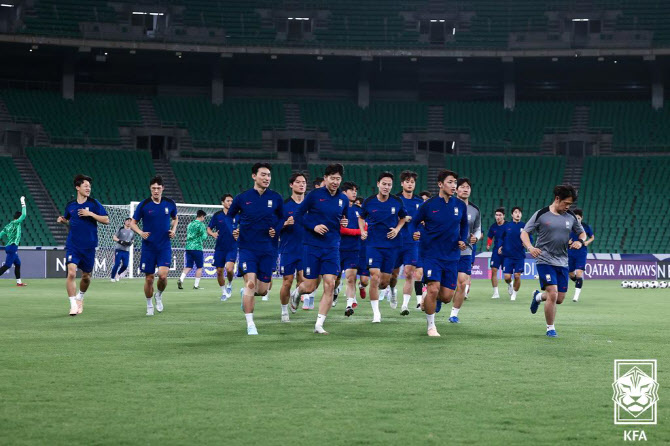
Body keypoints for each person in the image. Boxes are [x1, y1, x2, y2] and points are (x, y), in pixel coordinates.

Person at [290, 164, 349, 334]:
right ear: (325, 178)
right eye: (332, 178)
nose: (335, 182)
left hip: (332, 246)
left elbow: (343, 218)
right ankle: (297, 293)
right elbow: (297, 215)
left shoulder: (343, 199)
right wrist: (313, 226)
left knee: (330, 284)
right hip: (312, 246)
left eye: (338, 179)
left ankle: (319, 324)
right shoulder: (314, 195)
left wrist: (344, 222)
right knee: (310, 286)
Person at [522, 184, 586, 338]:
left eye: (570, 204)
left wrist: (580, 242)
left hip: (562, 262)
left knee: (559, 298)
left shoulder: (570, 216)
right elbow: (524, 233)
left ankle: (538, 297)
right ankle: (550, 328)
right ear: (557, 199)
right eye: (566, 203)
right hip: (544, 260)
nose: (568, 207)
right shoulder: (541, 214)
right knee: (552, 292)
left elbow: (582, 233)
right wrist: (530, 247)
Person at [229, 163, 284, 335]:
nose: (267, 178)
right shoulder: (242, 197)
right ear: (254, 176)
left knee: (262, 290)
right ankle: (250, 324)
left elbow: (283, 218)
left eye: (269, 175)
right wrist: (234, 229)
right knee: (250, 283)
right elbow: (229, 216)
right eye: (263, 175)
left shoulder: (276, 198)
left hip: (268, 249)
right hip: (247, 248)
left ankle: (245, 293)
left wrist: (277, 228)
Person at [411, 170, 468, 337]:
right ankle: (431, 326)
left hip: (451, 256)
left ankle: (427, 297)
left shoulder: (460, 205)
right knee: (433, 288)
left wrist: (462, 239)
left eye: (455, 182)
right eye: (450, 182)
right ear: (440, 184)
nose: (453, 185)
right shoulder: (428, 205)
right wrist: (415, 233)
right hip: (431, 254)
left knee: (446, 297)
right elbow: (413, 223)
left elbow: (464, 225)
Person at [57, 174, 109, 316]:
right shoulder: (70, 205)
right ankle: (73, 305)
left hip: (89, 246)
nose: (88, 188)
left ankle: (80, 297)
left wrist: (90, 214)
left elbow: (106, 220)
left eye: (89, 186)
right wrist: (63, 220)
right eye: (85, 186)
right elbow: (69, 220)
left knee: (86, 276)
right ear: (77, 187)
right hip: (73, 245)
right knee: (71, 272)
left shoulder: (94, 203)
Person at [358, 171, 407, 323]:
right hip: (373, 244)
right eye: (384, 184)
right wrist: (362, 231)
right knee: (374, 276)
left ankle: (390, 290)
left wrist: (397, 229)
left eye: (389, 185)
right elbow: (361, 217)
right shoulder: (369, 201)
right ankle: (376, 313)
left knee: (384, 281)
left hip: (391, 246)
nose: (386, 187)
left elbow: (403, 217)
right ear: (378, 184)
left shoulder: (397, 201)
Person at [130, 176, 178, 316]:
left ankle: (159, 295)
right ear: (150, 189)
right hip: (148, 247)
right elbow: (133, 222)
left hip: (164, 246)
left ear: (163, 188)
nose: (156, 191)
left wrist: (173, 230)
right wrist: (140, 232)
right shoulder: (144, 205)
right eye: (153, 188)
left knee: (162, 276)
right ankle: (149, 304)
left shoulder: (170, 203)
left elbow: (175, 218)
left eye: (158, 188)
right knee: (149, 278)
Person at [448, 177, 481, 323]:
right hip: (448, 250)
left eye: (468, 187)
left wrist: (476, 238)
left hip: (466, 250)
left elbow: (478, 229)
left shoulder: (475, 209)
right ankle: (436, 301)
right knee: (444, 287)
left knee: (462, 282)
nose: (465, 189)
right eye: (462, 187)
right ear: (456, 190)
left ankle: (454, 314)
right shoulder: (448, 205)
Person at [279, 172, 307, 321]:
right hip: (288, 248)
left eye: (303, 182)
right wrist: (284, 224)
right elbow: (273, 228)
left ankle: (295, 297)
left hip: (305, 249)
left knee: (303, 281)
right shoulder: (284, 206)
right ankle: (284, 311)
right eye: (298, 182)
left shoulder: (309, 205)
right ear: (291, 185)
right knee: (287, 281)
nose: (301, 184)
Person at [395, 170, 424, 316]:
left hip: (412, 243)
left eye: (412, 182)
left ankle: (404, 305)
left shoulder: (420, 202)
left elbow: (425, 222)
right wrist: (400, 220)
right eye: (407, 181)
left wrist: (420, 232)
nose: (410, 184)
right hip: (395, 242)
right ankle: (392, 290)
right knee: (390, 276)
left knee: (409, 273)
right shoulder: (395, 200)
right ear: (402, 183)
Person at [337, 181, 362, 317]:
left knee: (351, 278)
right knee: (334, 279)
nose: (354, 193)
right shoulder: (338, 208)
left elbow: (366, 227)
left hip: (353, 249)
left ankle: (349, 305)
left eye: (355, 190)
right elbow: (340, 229)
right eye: (351, 190)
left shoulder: (359, 210)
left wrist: (361, 231)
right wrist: (359, 232)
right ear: (344, 193)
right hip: (337, 249)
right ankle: (335, 291)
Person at [207, 194, 237, 301]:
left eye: (232, 201)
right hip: (219, 248)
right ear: (223, 202)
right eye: (228, 201)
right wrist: (213, 234)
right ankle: (224, 292)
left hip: (232, 247)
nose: (230, 203)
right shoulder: (217, 215)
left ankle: (230, 283)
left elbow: (244, 226)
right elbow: (209, 228)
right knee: (219, 271)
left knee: (229, 269)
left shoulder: (236, 215)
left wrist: (239, 232)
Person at [500, 206, 527, 301]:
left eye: (519, 212)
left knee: (517, 275)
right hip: (508, 256)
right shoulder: (507, 226)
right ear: (512, 215)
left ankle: (514, 294)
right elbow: (501, 238)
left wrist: (527, 244)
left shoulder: (525, 226)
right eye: (515, 212)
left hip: (519, 256)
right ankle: (510, 284)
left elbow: (529, 238)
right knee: (507, 277)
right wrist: (500, 246)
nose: (517, 214)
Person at [0, 196, 28, 286]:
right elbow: (24, 215)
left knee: (18, 263)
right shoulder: (17, 223)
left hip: (10, 246)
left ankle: (19, 282)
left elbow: (1, 234)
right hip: (12, 247)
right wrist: (23, 202)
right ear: (18, 218)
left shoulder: (8, 225)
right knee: (7, 265)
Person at [568, 209, 594, 302]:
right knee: (571, 273)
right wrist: (567, 242)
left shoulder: (586, 227)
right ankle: (578, 283)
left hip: (581, 252)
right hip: (570, 252)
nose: (577, 220)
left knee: (579, 272)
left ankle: (576, 296)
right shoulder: (568, 226)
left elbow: (592, 237)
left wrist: (587, 242)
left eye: (578, 218)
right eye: (575, 218)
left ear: (581, 218)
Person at [178, 210, 208, 290]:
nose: (204, 219)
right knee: (199, 267)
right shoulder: (201, 225)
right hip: (197, 248)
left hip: (188, 247)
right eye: (204, 217)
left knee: (189, 266)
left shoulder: (190, 224)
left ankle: (181, 279)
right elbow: (204, 237)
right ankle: (196, 285)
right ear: (201, 216)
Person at [486, 208, 506, 299]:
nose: (498, 217)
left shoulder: (508, 226)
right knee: (494, 270)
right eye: (496, 215)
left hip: (506, 252)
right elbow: (490, 237)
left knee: (507, 274)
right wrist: (488, 245)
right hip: (496, 252)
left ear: (503, 216)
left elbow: (511, 238)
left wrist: (504, 247)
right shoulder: (493, 227)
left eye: (500, 215)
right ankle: (496, 293)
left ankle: (510, 283)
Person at [110, 217, 134, 282]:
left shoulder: (132, 231)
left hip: (126, 251)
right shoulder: (120, 229)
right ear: (125, 222)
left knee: (125, 265)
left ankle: (118, 274)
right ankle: (112, 277)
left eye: (130, 221)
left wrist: (130, 243)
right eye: (128, 221)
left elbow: (132, 240)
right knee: (117, 264)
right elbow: (114, 237)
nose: (129, 222)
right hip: (119, 250)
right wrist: (121, 241)